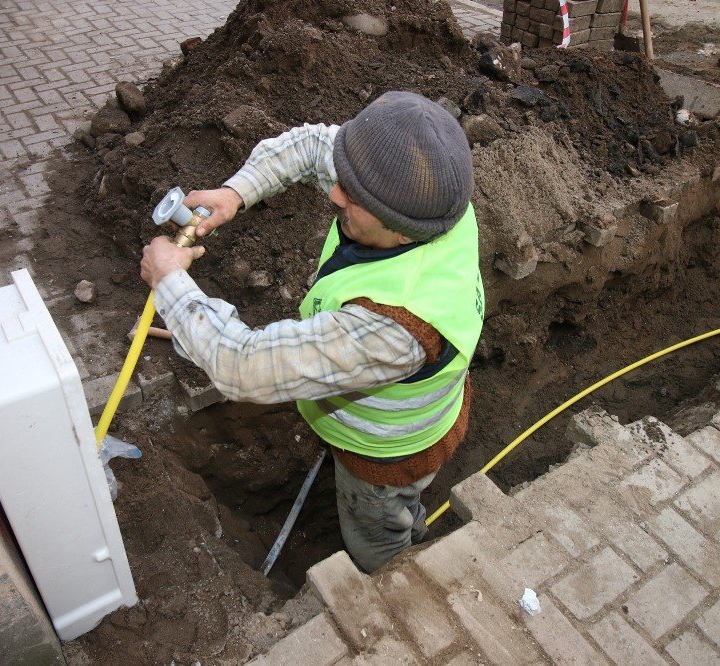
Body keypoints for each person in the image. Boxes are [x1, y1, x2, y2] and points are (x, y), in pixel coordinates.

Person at [139, 91, 484, 573]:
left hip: (385, 457)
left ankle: (402, 576)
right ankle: (411, 523)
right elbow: (309, 146)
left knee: (378, 537)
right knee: (399, 510)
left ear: (402, 231)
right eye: (344, 180)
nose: (334, 194)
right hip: (401, 416)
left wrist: (171, 282)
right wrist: (235, 192)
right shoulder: (427, 201)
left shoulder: (396, 325)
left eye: (351, 197)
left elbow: (244, 367)